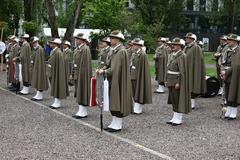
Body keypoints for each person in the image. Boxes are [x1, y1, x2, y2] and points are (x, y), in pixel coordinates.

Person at [97, 30, 133, 132]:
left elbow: (114, 69)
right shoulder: (114, 50)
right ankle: (114, 122)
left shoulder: (121, 51)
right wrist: (103, 68)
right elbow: (109, 64)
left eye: (112, 38)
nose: (110, 39)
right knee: (113, 101)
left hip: (117, 80)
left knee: (117, 101)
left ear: (117, 40)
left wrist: (103, 71)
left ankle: (118, 124)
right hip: (112, 79)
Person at [166, 38, 190, 125]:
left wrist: (179, 82)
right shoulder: (172, 54)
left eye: (175, 44)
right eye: (173, 44)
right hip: (170, 80)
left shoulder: (182, 55)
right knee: (173, 99)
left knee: (177, 99)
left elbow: (182, 71)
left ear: (180, 46)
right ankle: (174, 117)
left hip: (176, 80)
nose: (173, 46)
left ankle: (179, 118)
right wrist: (166, 79)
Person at [72, 33, 92, 119]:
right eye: (76, 39)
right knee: (78, 91)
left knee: (82, 91)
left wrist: (81, 74)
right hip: (77, 73)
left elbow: (85, 64)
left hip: (83, 74)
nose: (77, 40)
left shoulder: (85, 49)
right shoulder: (77, 49)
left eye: (78, 39)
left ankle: (83, 111)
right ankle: (81, 110)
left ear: (83, 41)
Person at [184, 33, 206, 109]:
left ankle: (192, 103)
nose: (186, 39)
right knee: (187, 85)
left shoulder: (196, 47)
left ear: (192, 39)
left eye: (188, 38)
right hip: (187, 69)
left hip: (193, 70)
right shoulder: (187, 47)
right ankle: (188, 102)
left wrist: (195, 71)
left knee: (192, 85)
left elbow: (198, 61)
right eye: (186, 37)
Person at [220, 34, 240, 120]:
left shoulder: (239, 51)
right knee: (227, 92)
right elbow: (223, 61)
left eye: (231, 40)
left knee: (234, 92)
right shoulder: (227, 50)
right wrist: (222, 71)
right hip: (226, 73)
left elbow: (236, 65)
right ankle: (228, 110)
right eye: (228, 40)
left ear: (236, 42)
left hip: (235, 75)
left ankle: (233, 112)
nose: (228, 41)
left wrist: (226, 72)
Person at [130, 38, 152, 114]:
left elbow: (143, 68)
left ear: (139, 46)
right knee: (134, 91)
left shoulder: (142, 54)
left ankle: (138, 107)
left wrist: (140, 77)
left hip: (138, 76)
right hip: (133, 75)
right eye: (133, 45)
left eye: (135, 45)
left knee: (138, 90)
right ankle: (136, 105)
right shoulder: (134, 53)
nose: (133, 46)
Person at [48, 38, 69, 108]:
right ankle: (55, 101)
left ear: (55, 44)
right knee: (54, 86)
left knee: (57, 86)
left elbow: (60, 65)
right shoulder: (53, 51)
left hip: (57, 72)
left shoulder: (58, 52)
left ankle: (58, 102)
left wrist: (58, 73)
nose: (50, 44)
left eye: (52, 43)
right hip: (53, 71)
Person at [30, 37, 49, 101]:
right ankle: (38, 94)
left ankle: (40, 95)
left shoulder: (40, 49)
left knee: (40, 80)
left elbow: (39, 60)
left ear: (36, 42)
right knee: (37, 80)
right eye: (32, 43)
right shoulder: (36, 49)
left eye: (34, 42)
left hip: (39, 68)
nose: (33, 44)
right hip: (36, 67)